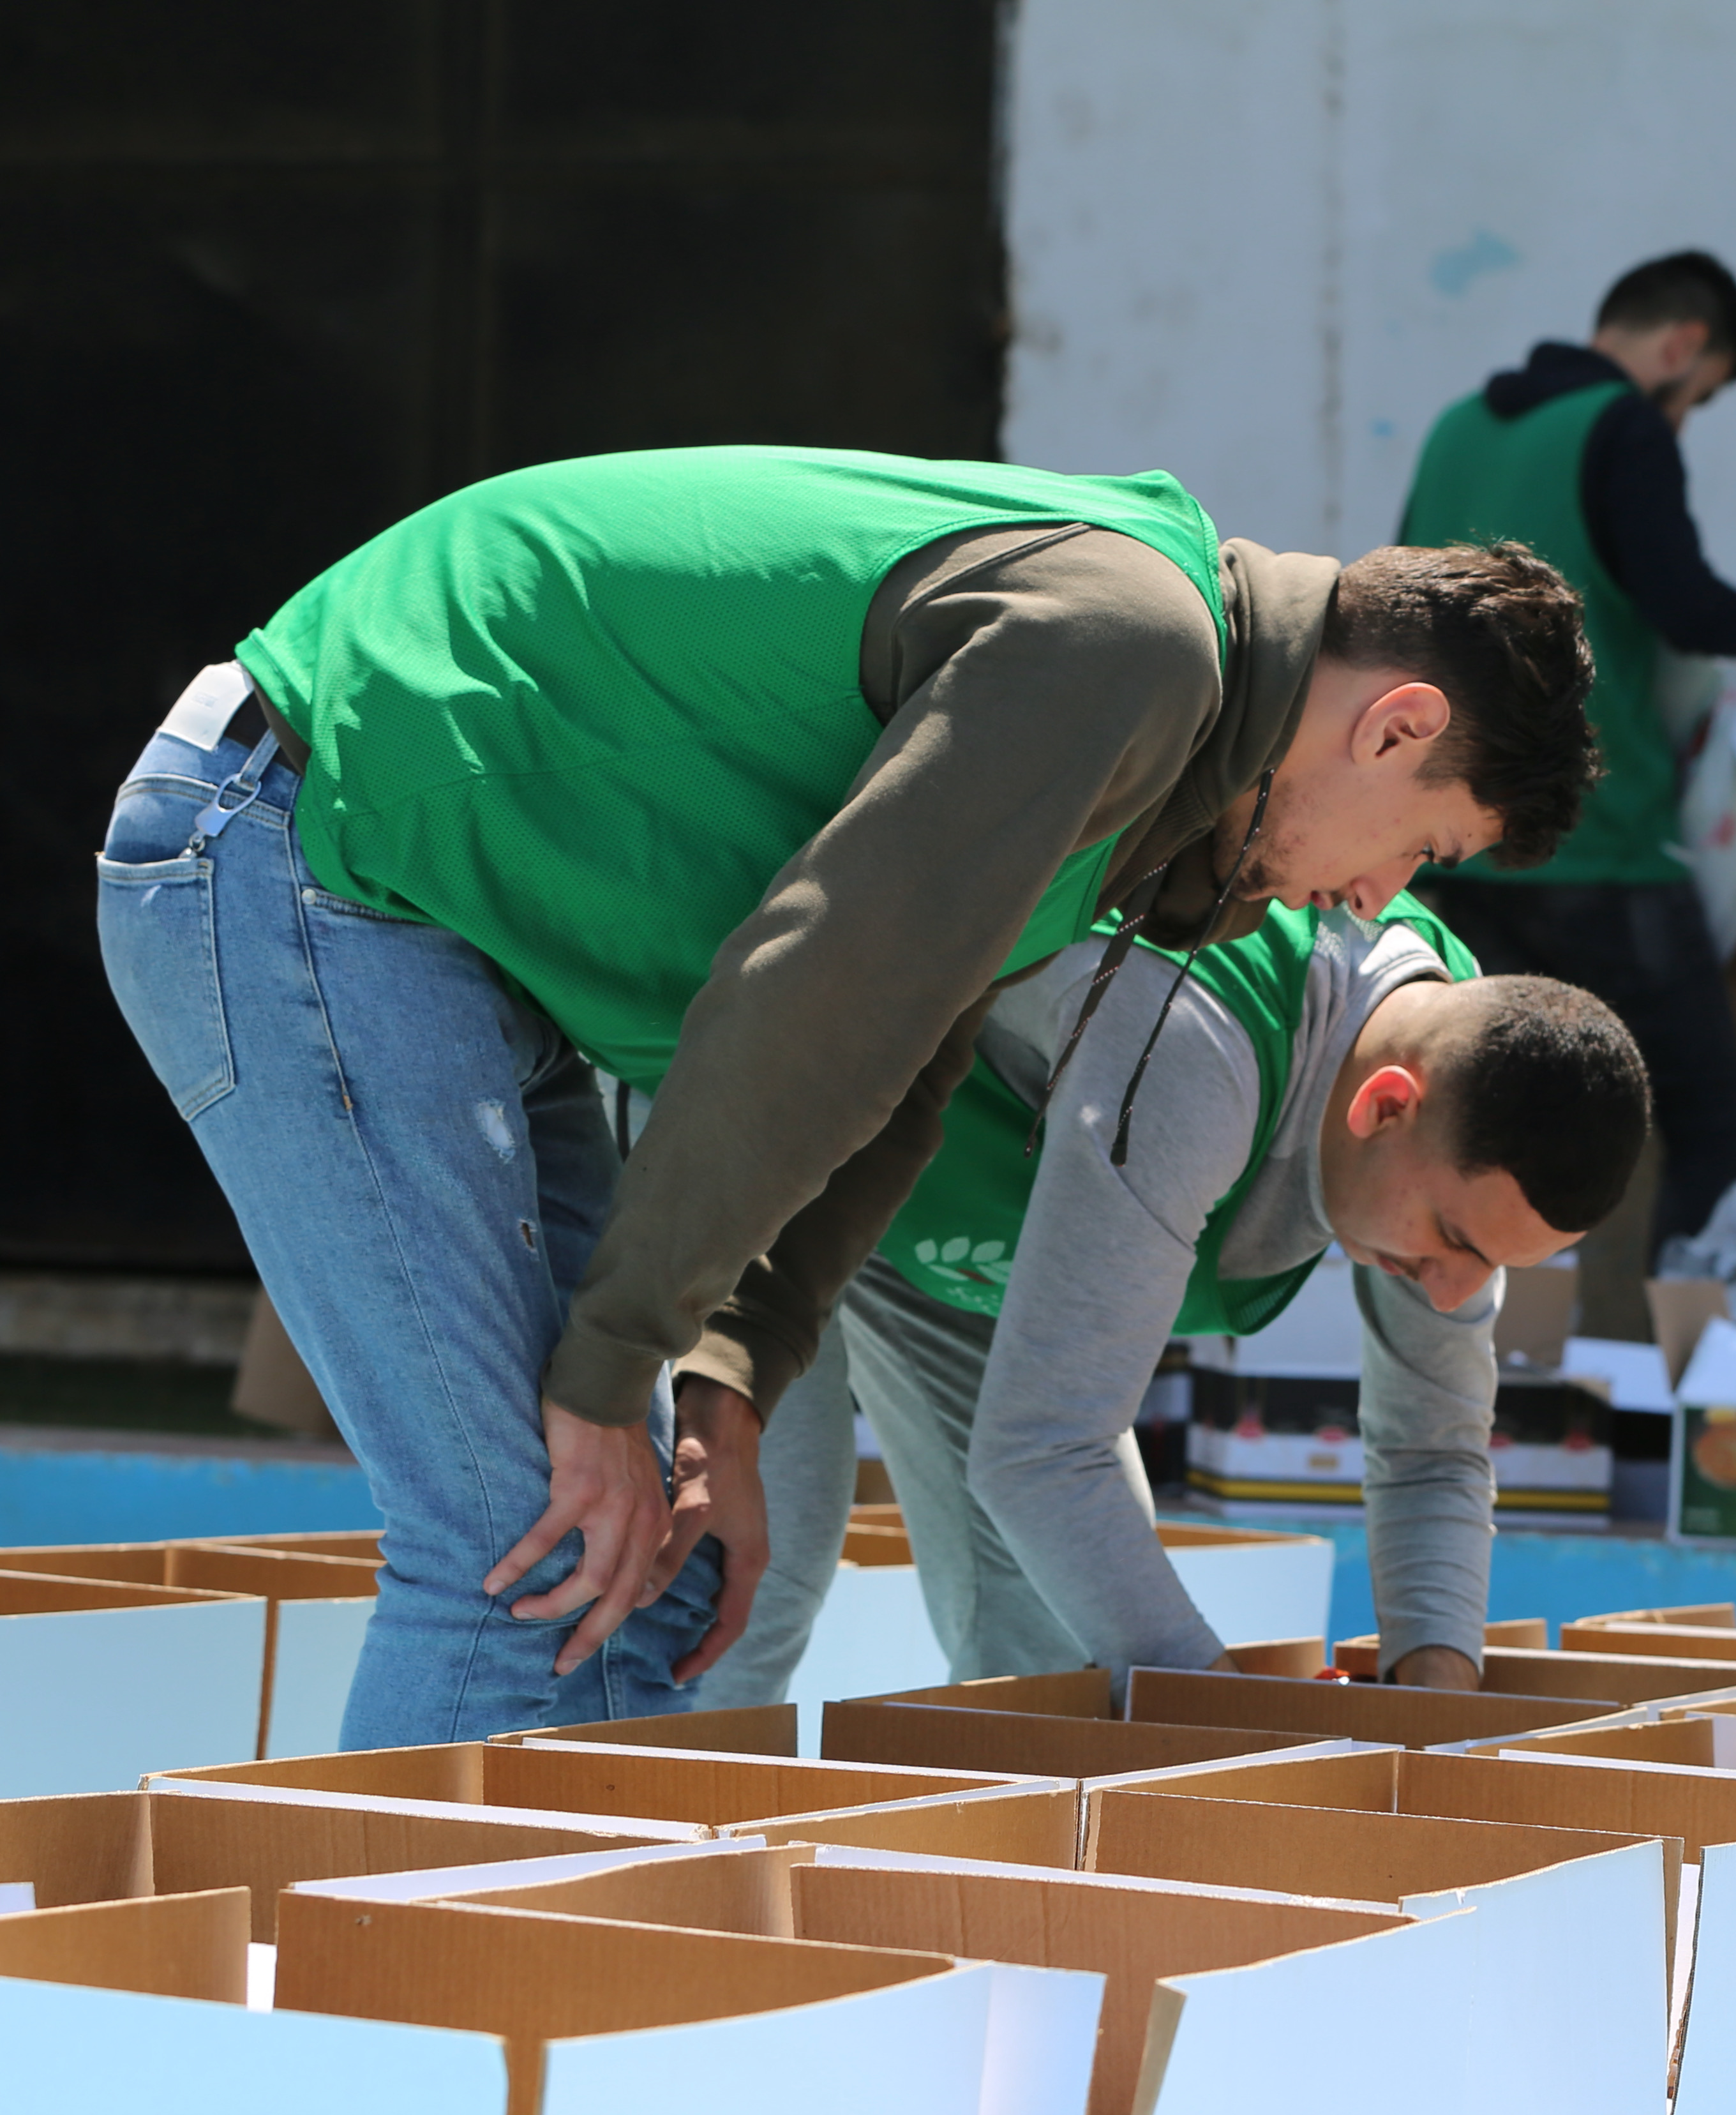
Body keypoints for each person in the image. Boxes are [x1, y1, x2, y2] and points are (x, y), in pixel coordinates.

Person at [97, 447, 1596, 1746]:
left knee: (658, 1553)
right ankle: (408, 2067)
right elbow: (816, 989)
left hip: (458, 921)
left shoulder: (1166, 771)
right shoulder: (1139, 650)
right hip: (311, 824)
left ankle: (558, 2041)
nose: (1376, 897)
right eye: (1426, 848)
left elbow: (907, 1057)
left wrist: (726, 1386)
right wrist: (614, 1361)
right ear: (1393, 726)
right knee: (529, 1543)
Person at [721, 894, 1649, 1701]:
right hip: (771, 1135)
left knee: (1056, 1643)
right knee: (743, 1573)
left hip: (963, 1229)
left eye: (1497, 1266)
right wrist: (1222, 1715)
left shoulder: (1465, 1055)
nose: (1455, 1297)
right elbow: (1045, 1449)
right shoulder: (1194, 1048)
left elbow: (1432, 1446)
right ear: (1385, 1106)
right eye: (1456, 1242)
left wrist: (1434, 1691)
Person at [1400, 250, 1736, 1257]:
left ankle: (1508, 1359)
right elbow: (1689, 608)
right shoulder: (1624, 427)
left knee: (1487, 1128)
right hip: (1602, 845)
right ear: (1681, 347)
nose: (1684, 417)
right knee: (1711, 1120)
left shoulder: (1458, 426)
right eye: (1700, 397)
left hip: (1459, 849)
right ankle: (1696, 1388)